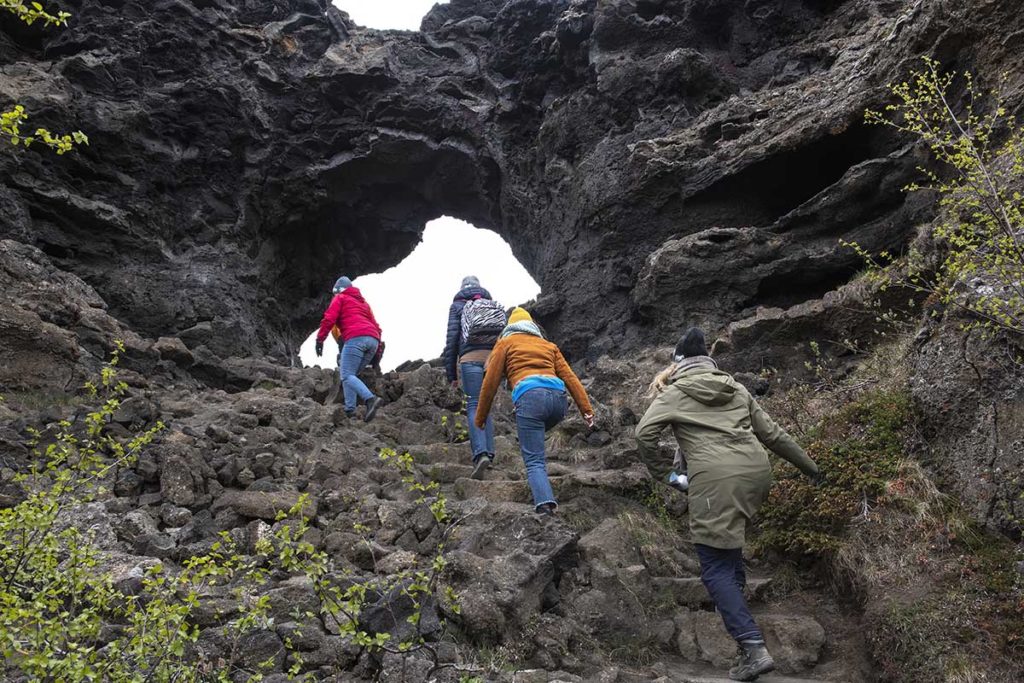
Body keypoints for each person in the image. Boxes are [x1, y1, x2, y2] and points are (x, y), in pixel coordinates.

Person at [635, 328, 820, 682]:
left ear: (677, 366)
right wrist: (812, 468)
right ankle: (744, 644)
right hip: (755, 474)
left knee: (714, 568)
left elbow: (643, 434)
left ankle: (752, 647)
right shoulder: (735, 387)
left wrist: (669, 476)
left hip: (715, 479)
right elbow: (774, 435)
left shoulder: (674, 392)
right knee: (728, 552)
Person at [474, 307, 595, 515]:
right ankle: (535, 444)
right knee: (535, 436)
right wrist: (586, 410)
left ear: (509, 327)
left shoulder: (505, 343)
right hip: (558, 401)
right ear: (532, 326)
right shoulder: (548, 346)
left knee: (534, 460)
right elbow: (571, 378)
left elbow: (490, 382)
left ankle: (545, 505)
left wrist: (480, 417)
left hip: (530, 396)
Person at [442, 275, 504, 479]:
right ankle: (491, 455)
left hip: (470, 359)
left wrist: (451, 373)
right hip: (492, 360)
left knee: (473, 404)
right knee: (486, 405)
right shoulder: (490, 304)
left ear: (462, 288)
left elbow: (452, 340)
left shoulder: (458, 306)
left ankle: (480, 454)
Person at [315, 276, 384, 422]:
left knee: (346, 374)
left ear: (338, 290)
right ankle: (350, 409)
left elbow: (329, 319)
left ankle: (370, 399)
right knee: (351, 375)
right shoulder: (363, 304)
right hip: (373, 340)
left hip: (355, 338)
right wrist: (376, 354)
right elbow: (376, 326)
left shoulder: (340, 298)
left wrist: (320, 339)